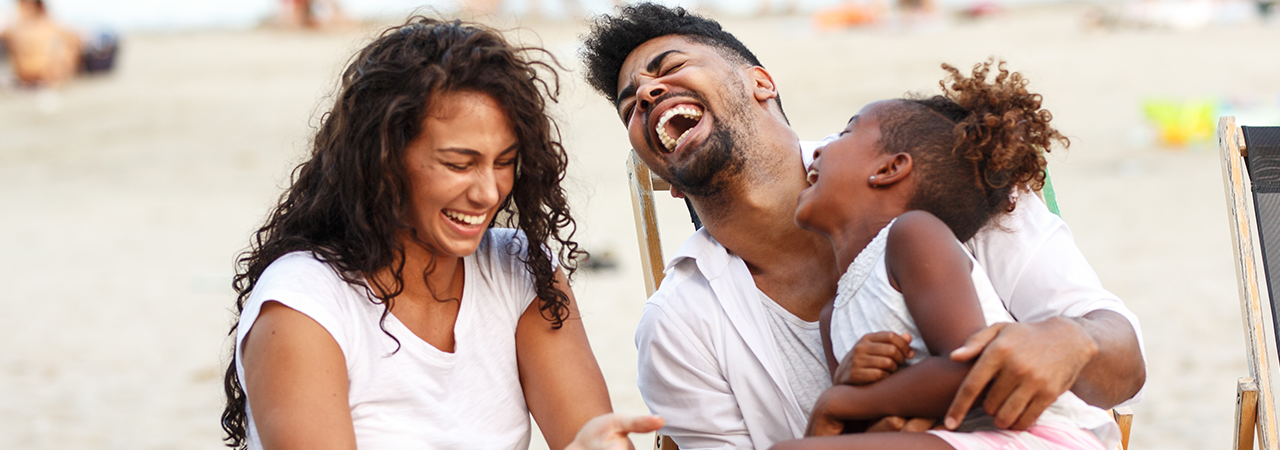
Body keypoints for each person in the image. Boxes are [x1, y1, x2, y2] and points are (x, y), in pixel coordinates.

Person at [579, 4, 1146, 449]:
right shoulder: (678, 326)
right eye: (630, 107)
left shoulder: (936, 178)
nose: (647, 95)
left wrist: (1072, 339)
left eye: (670, 68)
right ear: (670, 180)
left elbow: (1123, 364)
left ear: (761, 82)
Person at [219, 17, 660, 450]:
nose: (489, 192)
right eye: (458, 164)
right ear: (384, 159)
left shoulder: (521, 272)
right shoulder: (305, 305)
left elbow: (589, 438)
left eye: (504, 162)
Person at [775, 60, 1119, 450]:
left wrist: (843, 399)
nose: (817, 149)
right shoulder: (831, 315)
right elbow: (865, 426)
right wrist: (848, 389)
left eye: (845, 132)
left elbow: (974, 370)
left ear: (890, 168)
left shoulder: (913, 236)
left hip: (1024, 435)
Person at [0, 0, 79, 86]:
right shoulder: (14, 29)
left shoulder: (50, 26)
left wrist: (66, 65)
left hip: (47, 78)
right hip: (24, 80)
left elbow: (74, 38)